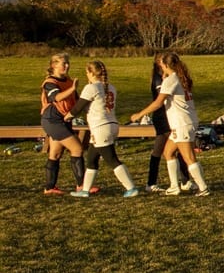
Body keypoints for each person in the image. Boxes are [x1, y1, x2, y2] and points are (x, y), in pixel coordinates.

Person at [128, 51, 210, 196]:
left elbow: (158, 103)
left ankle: (203, 187)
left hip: (181, 123)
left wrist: (139, 115)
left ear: (165, 65)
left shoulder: (171, 80)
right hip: (187, 121)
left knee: (189, 157)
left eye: (162, 64)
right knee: (168, 152)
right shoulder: (180, 77)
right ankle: (174, 186)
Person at [65, 60, 139, 198]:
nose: (86, 75)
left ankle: (131, 187)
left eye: (87, 72)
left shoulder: (91, 87)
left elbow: (78, 108)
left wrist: (66, 117)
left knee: (112, 159)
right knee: (92, 159)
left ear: (92, 73)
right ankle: (85, 190)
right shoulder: (111, 87)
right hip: (111, 125)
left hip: (100, 127)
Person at [39, 52, 85, 195]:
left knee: (55, 153)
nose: (67, 65)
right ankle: (81, 186)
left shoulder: (69, 81)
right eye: (63, 63)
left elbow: (77, 102)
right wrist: (72, 89)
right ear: (54, 65)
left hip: (64, 120)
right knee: (77, 149)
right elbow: (56, 97)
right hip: (53, 120)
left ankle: (50, 188)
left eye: (68, 63)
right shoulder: (50, 82)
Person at [143, 54, 172, 192]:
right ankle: (151, 183)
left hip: (169, 116)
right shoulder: (158, 79)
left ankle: (183, 181)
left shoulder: (168, 77)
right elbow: (160, 100)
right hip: (162, 118)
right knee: (165, 150)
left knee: (170, 150)